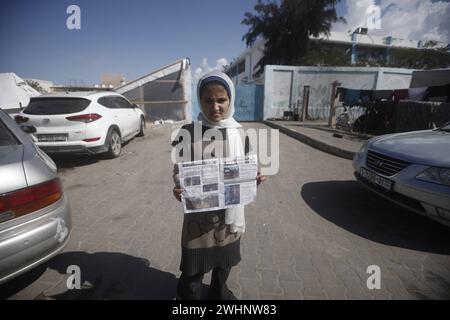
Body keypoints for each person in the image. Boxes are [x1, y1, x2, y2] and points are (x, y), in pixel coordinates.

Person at [171, 71, 266, 300]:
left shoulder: (239, 132)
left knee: (223, 265)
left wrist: (254, 179)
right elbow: (178, 170)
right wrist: (178, 188)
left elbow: (249, 166)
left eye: (221, 100)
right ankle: (189, 299)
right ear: (199, 101)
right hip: (198, 220)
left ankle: (219, 295)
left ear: (230, 100)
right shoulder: (187, 132)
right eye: (208, 100)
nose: (215, 106)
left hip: (228, 218)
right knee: (193, 269)